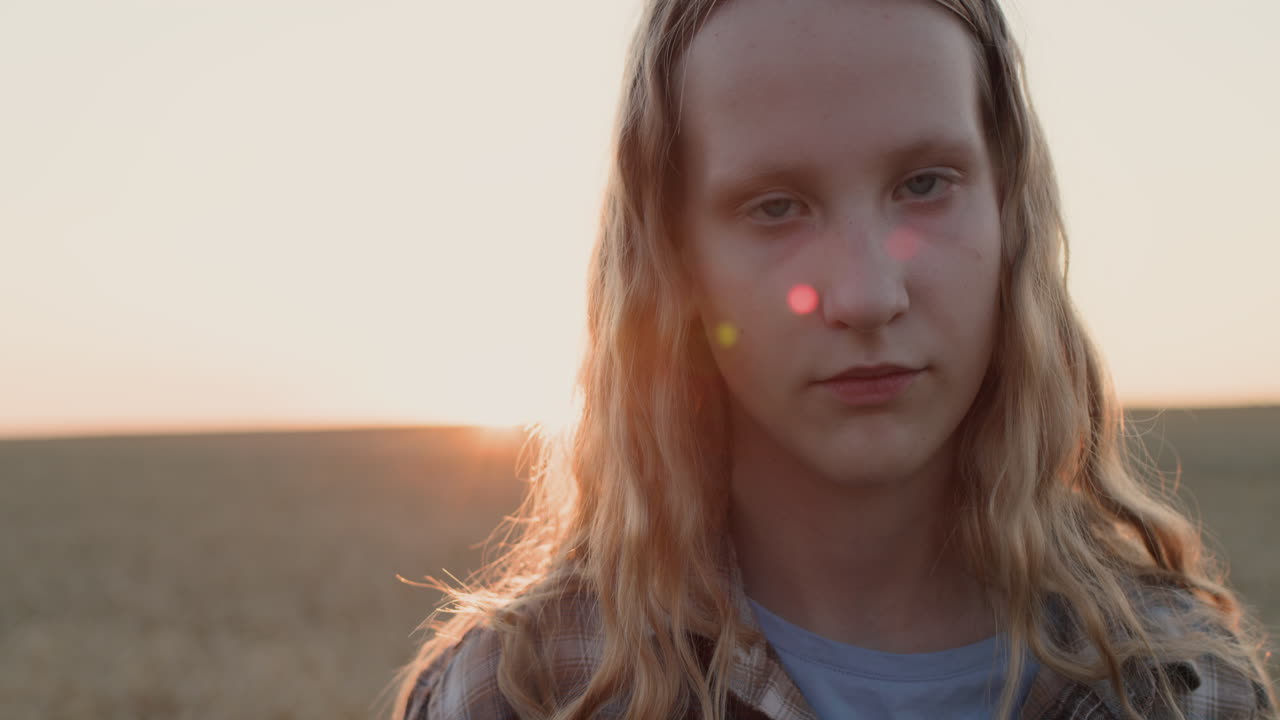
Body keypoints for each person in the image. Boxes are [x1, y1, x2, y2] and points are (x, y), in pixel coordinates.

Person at [384, 0, 1277, 718]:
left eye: (924, 184)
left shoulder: (1183, 689)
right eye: (776, 207)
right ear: (676, 263)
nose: (864, 295)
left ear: (1010, 213)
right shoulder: (527, 695)